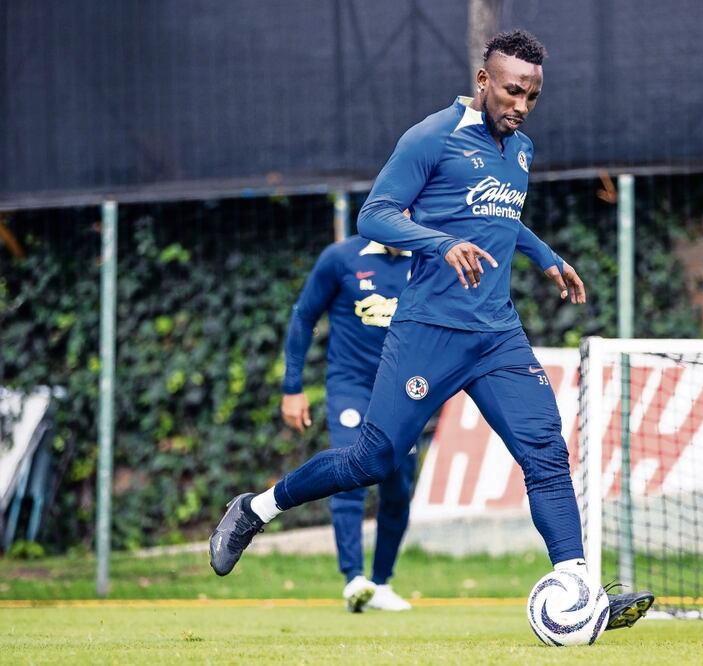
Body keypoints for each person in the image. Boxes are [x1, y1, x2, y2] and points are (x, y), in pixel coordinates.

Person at [210, 29, 653, 630]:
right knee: (371, 461)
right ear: (483, 81)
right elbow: (376, 213)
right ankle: (255, 509)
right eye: (511, 91)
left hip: (496, 335)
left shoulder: (520, 150)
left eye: (532, 96)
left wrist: (546, 256)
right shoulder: (431, 137)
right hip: (427, 331)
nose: (520, 105)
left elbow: (501, 217)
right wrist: (440, 244)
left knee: (546, 452)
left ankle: (576, 588)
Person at [280, 234, 415, 612]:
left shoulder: (428, 256)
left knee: (399, 487)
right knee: (350, 472)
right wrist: (292, 387)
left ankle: (381, 583)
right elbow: (304, 315)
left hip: (403, 391)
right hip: (350, 386)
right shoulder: (340, 257)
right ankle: (354, 578)